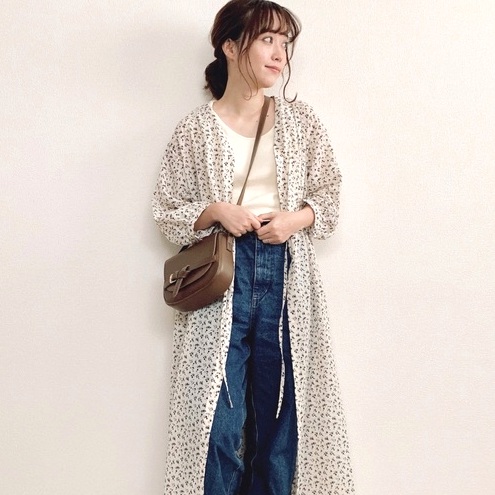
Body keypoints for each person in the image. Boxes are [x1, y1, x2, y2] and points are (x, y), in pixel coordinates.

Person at [152, 1, 354, 493]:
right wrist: (216, 211)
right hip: (222, 276)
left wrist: (293, 220)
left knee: (280, 418)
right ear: (230, 45)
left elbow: (329, 194)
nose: (280, 54)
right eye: (267, 39)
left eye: (285, 43)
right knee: (217, 422)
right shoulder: (195, 129)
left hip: (287, 273)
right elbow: (166, 209)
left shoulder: (300, 122)